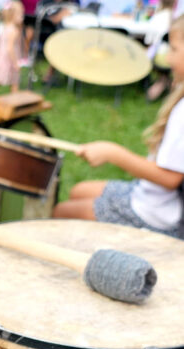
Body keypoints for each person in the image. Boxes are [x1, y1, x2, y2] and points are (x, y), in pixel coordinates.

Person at [52, 14, 184, 239]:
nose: (168, 58)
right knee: (77, 191)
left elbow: (170, 179)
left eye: (173, 49)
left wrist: (113, 154)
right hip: (149, 195)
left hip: (158, 215)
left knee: (60, 212)